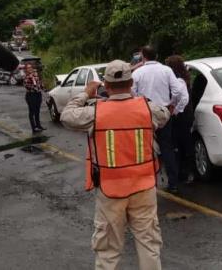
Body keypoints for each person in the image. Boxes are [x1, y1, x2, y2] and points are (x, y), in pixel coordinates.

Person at [61, 60, 170, 270]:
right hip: (144, 187)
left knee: (108, 250)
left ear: (106, 86)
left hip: (111, 191)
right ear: (131, 83)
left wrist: (86, 93)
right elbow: (164, 115)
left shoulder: (96, 112)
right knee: (149, 244)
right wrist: (139, 100)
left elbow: (67, 115)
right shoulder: (146, 108)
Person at [132, 45, 188, 193]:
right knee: (167, 148)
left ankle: (149, 184)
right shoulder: (166, 70)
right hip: (163, 114)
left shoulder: (138, 72)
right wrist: (171, 105)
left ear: (143, 56)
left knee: (146, 149)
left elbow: (132, 92)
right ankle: (173, 183)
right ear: (156, 56)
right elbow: (177, 91)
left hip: (145, 112)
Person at [165, 55, 195, 184]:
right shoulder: (183, 78)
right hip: (185, 114)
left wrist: (175, 110)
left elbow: (183, 98)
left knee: (181, 143)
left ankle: (186, 173)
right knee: (184, 142)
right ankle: (185, 172)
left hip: (182, 115)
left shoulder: (179, 81)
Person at [23, 63, 45, 133]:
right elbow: (27, 86)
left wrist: (42, 86)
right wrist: (35, 87)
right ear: (26, 70)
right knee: (32, 111)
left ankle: (38, 125)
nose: (29, 69)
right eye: (28, 68)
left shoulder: (35, 75)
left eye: (30, 68)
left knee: (37, 111)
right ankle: (34, 127)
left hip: (38, 94)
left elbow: (39, 83)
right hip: (31, 95)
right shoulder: (26, 77)